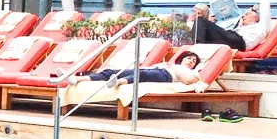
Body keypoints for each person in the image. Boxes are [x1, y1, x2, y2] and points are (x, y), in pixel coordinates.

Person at [73, 50, 204, 85]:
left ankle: (118, 82)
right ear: (182, 59)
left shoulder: (193, 73)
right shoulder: (171, 64)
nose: (191, 62)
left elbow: (187, 80)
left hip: (167, 76)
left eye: (194, 61)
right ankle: (77, 79)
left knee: (141, 75)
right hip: (157, 69)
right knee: (110, 71)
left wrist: (172, 68)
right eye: (189, 58)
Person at [190, 3, 266, 52]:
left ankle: (198, 48)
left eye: (247, 14)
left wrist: (253, 8)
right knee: (204, 27)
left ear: (256, 18)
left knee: (200, 20)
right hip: (231, 38)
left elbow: (265, 3)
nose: (243, 16)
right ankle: (199, 47)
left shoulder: (260, 28)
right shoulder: (243, 27)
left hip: (238, 41)